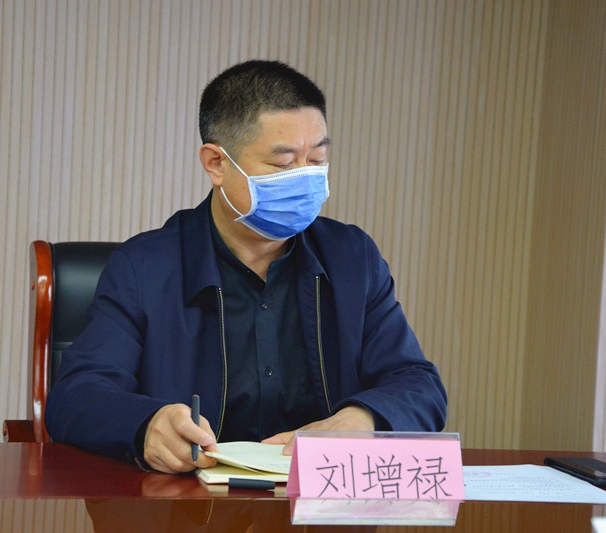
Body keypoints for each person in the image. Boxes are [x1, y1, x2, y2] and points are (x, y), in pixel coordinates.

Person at [45, 60, 447, 474]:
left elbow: (420, 386)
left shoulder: (352, 258)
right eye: (283, 164)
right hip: (188, 500)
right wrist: (147, 425)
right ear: (216, 163)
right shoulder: (144, 268)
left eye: (317, 159)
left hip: (316, 498)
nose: (305, 179)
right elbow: (75, 397)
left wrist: (362, 420)